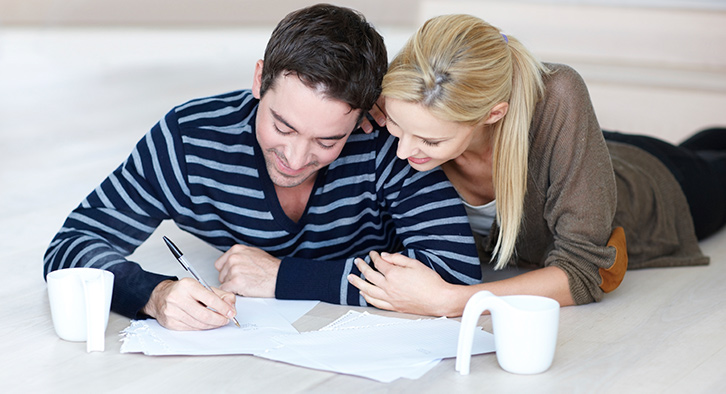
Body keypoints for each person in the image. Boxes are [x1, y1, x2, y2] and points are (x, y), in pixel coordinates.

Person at [43, 5, 482, 330]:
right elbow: (72, 246)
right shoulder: (189, 139)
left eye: (328, 140)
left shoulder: (388, 143)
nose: (295, 158)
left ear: (368, 113)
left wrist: (283, 277)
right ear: (259, 79)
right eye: (282, 125)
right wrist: (153, 295)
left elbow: (452, 274)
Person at [348, 14, 726, 317]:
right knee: (706, 140)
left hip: (650, 185)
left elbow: (581, 272)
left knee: (711, 162)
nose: (402, 152)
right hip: (585, 150)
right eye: (398, 127)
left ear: (493, 114)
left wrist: (452, 300)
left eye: (432, 141)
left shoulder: (558, 93)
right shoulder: (405, 98)